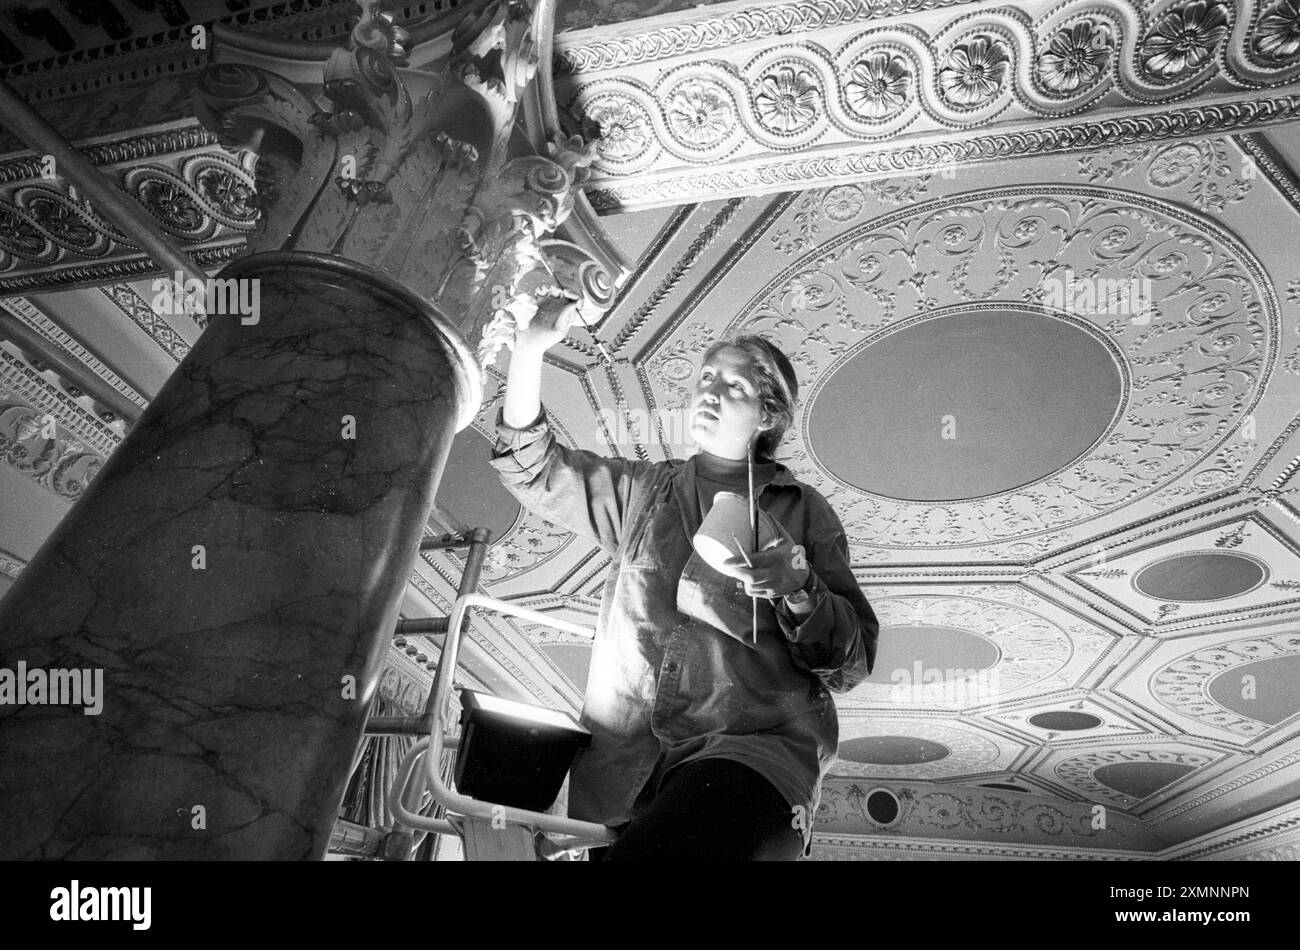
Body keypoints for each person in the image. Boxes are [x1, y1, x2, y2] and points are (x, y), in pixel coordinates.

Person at [489, 291, 879, 861]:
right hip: (625, 779)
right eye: (706, 378)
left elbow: (850, 663)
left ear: (768, 415)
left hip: (753, 753)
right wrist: (529, 351)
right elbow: (534, 468)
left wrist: (796, 586)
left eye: (735, 386)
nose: (710, 393)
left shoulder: (803, 511)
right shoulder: (643, 493)